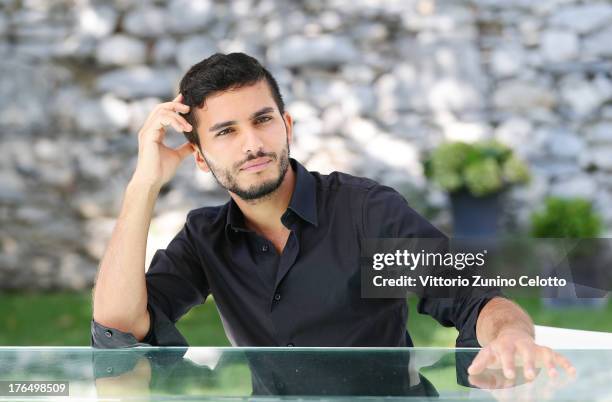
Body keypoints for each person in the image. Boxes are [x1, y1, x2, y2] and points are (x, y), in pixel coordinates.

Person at [91, 52, 575, 381]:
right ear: (199, 156)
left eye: (262, 120)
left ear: (286, 126)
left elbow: (475, 297)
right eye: (225, 132)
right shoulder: (205, 237)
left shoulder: (365, 211)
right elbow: (118, 328)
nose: (252, 144)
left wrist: (510, 336)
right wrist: (144, 184)